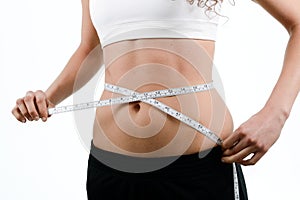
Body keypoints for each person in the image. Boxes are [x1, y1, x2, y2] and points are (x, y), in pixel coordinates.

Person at [11, 0, 300, 199]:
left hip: (197, 170)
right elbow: (91, 47)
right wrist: (46, 98)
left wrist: (276, 114)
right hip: (109, 170)